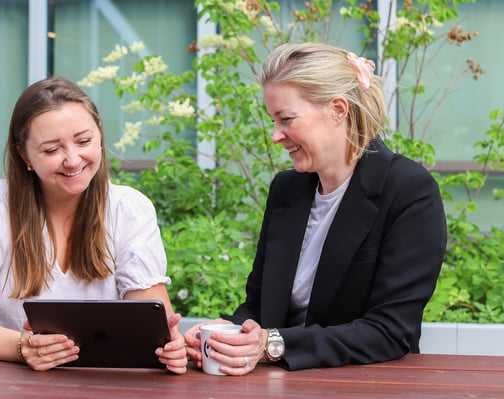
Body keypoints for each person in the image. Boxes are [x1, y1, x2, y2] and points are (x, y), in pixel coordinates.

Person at [184, 42, 447, 374]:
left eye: (286, 119)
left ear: (338, 109)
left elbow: (390, 332)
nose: (276, 136)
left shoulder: (409, 191)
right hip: (277, 383)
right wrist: (227, 333)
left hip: (364, 385)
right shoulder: (287, 189)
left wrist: (270, 344)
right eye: (273, 121)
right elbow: (258, 306)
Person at [0, 76, 188, 373]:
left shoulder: (129, 209)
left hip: (103, 383)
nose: (72, 160)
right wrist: (22, 347)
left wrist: (169, 347)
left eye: (84, 141)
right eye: (51, 150)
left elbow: (153, 323)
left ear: (101, 137)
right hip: (6, 382)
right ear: (24, 155)